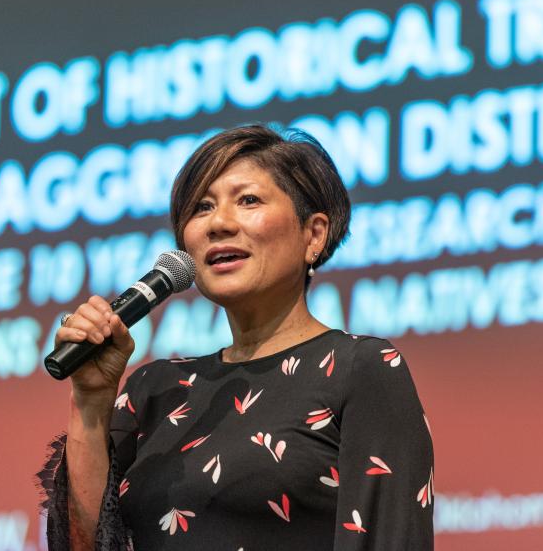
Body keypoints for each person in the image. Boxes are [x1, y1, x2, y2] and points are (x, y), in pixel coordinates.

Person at [39, 124, 434, 550]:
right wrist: (90, 402)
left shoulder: (360, 368)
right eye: (202, 207)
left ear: (314, 234)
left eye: (248, 200)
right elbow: (84, 544)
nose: (219, 223)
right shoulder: (154, 391)